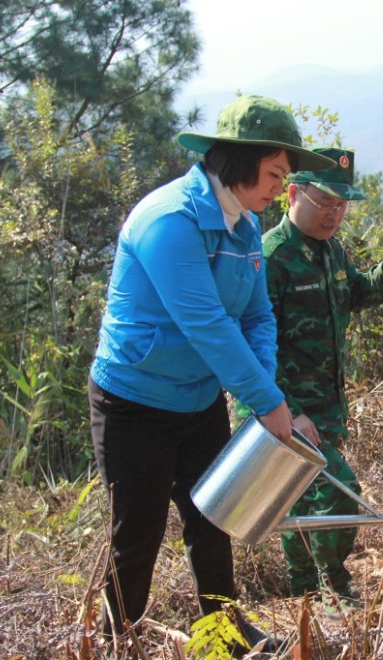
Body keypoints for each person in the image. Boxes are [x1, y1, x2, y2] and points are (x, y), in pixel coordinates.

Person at [88, 95, 335, 640]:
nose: (278, 188)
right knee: (138, 532)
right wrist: (270, 405)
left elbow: (256, 314)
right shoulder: (169, 220)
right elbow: (206, 324)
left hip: (197, 400)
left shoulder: (244, 225)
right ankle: (115, 641)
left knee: (213, 520)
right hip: (135, 402)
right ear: (237, 161)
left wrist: (261, 390)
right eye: (273, 174)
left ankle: (222, 637)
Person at [263, 147, 383, 608]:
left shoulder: (331, 251)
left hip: (326, 404)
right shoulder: (273, 257)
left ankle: (303, 590)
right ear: (293, 193)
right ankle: (332, 584)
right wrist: (290, 410)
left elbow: (357, 293)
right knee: (338, 492)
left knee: (303, 497)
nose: (334, 214)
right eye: (325, 202)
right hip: (286, 408)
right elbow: (254, 344)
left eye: (341, 205)